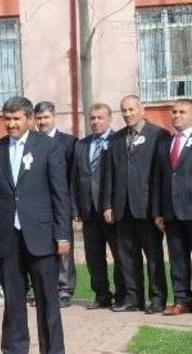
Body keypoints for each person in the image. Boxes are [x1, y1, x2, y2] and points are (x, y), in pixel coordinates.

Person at [0, 96, 70, 354]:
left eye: (16, 119)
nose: (11, 124)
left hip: (42, 237)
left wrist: (62, 234)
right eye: (7, 119)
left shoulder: (48, 147)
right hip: (7, 237)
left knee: (47, 301)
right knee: (13, 303)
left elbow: (60, 194)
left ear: (29, 119)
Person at [101, 95, 169, 313]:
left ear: (142, 110)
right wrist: (107, 205)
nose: (127, 114)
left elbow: (162, 174)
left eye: (131, 109)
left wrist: (160, 209)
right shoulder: (116, 139)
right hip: (122, 208)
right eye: (124, 110)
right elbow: (109, 174)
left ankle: (157, 298)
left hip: (147, 207)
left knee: (154, 257)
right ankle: (133, 298)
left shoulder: (159, 135)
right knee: (127, 257)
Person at [71, 103, 126, 309]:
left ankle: (122, 295)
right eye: (92, 118)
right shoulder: (81, 145)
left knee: (119, 255)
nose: (95, 122)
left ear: (109, 118)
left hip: (111, 210)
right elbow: (75, 179)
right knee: (93, 257)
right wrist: (75, 208)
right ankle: (101, 295)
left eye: (100, 117)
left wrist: (111, 205)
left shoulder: (118, 141)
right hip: (88, 210)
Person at [34, 101, 78, 308]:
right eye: (39, 118)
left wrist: (73, 208)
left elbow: (74, 178)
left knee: (63, 246)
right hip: (38, 206)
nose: (43, 122)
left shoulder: (69, 143)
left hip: (61, 204)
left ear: (54, 117)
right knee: (40, 248)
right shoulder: (31, 142)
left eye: (46, 117)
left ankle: (64, 289)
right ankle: (44, 289)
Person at [153, 99, 192, 316]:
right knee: (177, 259)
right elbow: (158, 178)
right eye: (174, 112)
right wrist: (158, 211)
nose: (176, 115)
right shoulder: (165, 143)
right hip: (172, 212)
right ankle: (182, 300)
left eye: (182, 112)